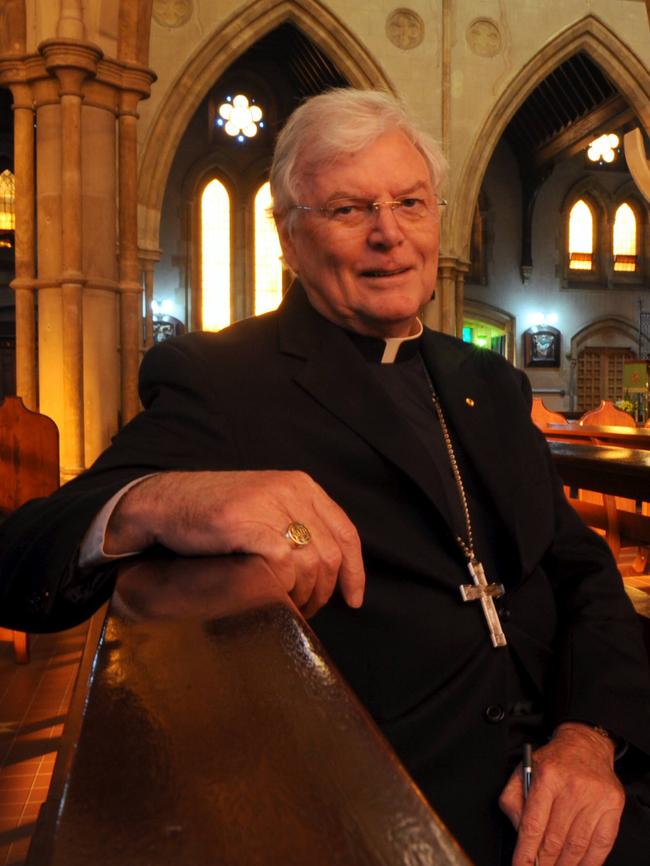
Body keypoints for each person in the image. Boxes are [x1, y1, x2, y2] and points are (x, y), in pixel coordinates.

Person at [1, 88, 649, 866]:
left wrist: (592, 736)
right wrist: (164, 499)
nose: (389, 234)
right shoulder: (222, 378)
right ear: (288, 237)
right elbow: (21, 555)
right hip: (388, 805)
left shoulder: (490, 381)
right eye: (348, 210)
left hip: (577, 765)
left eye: (410, 202)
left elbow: (580, 572)